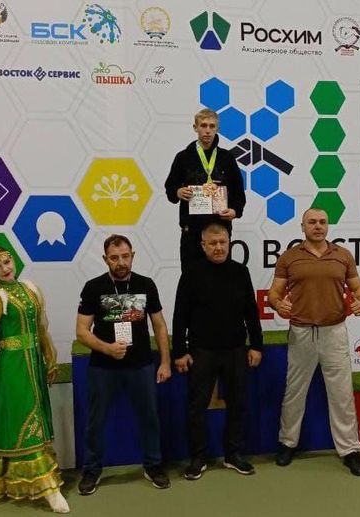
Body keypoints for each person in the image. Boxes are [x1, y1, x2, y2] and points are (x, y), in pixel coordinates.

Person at [0, 246, 69, 513]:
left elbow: (41, 329)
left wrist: (50, 359)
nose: (5, 268)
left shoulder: (30, 289)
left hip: (35, 365)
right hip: (14, 367)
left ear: (13, 260)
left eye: (7, 262)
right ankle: (49, 489)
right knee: (24, 420)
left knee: (38, 419)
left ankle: (27, 481)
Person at [268, 208, 360, 476]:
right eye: (312, 222)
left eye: (323, 222)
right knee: (294, 392)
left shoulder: (342, 255)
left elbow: (359, 289)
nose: (318, 226)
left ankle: (350, 450)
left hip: (334, 332)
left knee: (342, 394)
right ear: (303, 227)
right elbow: (274, 294)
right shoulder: (289, 257)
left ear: (328, 226)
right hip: (301, 332)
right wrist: (278, 304)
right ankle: (287, 443)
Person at [76, 235, 172, 494]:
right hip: (103, 367)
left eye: (125, 256)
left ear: (133, 256)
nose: (121, 262)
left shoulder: (145, 284)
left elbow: (160, 326)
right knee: (95, 420)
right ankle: (92, 469)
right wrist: (107, 348)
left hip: (141, 365)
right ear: (105, 259)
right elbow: (82, 331)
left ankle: (153, 465)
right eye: (115, 257)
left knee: (150, 417)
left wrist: (165, 362)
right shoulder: (93, 287)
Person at [172, 223, 263, 480]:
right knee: (196, 406)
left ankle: (233, 454)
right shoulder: (191, 274)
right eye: (213, 243)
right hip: (201, 351)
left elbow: (251, 312)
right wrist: (179, 352)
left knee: (238, 403)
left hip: (235, 350)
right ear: (203, 246)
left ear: (229, 242)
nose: (219, 247)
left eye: (223, 242)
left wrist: (256, 345)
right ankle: (198, 457)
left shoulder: (240, 272)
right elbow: (180, 316)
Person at [165, 108, 246, 271]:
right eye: (203, 125)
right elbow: (170, 188)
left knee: (221, 278)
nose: (207, 131)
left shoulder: (227, 158)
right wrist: (178, 192)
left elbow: (238, 192)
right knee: (191, 277)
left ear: (217, 129)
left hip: (220, 229)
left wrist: (235, 211)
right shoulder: (183, 157)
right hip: (192, 231)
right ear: (195, 128)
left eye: (211, 126)